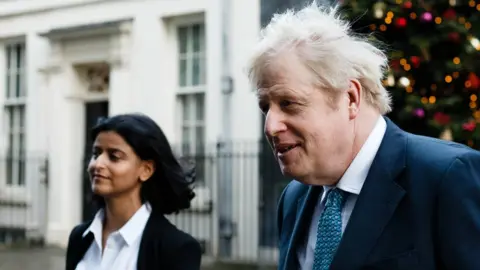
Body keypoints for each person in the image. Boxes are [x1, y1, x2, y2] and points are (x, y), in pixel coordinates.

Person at [247, 3, 480, 270]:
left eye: (288, 103)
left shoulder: (446, 178)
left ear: (351, 98)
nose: (270, 126)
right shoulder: (293, 198)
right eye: (266, 107)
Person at [65, 113, 202, 270]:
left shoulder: (176, 248)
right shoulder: (79, 237)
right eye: (96, 154)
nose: (97, 164)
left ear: (146, 170)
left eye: (114, 156)